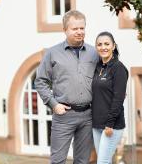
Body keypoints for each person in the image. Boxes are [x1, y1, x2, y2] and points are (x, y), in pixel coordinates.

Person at [35, 10, 99, 164]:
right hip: (64, 116)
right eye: (74, 29)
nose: (79, 32)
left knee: (83, 161)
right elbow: (40, 81)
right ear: (65, 30)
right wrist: (53, 104)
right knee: (58, 161)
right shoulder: (52, 53)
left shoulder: (94, 52)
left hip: (88, 116)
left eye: (82, 28)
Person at [91, 31, 129, 164]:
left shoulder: (118, 68)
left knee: (103, 161)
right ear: (96, 48)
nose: (103, 47)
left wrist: (110, 123)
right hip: (96, 124)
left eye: (107, 44)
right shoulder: (97, 67)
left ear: (113, 46)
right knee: (103, 161)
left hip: (112, 125)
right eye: (99, 45)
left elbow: (119, 98)